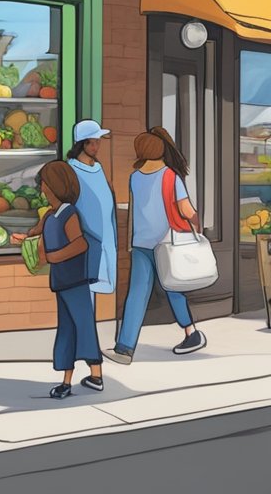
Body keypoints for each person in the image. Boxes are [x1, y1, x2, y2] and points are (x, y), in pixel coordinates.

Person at [105, 128, 205, 364]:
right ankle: (191, 333)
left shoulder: (135, 176)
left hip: (141, 243)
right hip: (167, 241)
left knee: (137, 295)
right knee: (173, 287)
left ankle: (125, 349)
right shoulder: (171, 176)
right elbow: (186, 210)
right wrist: (198, 225)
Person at [36, 160, 103, 398]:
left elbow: (80, 244)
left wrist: (53, 256)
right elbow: (36, 232)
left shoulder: (69, 214)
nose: (42, 188)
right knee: (66, 330)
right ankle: (66, 380)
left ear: (54, 186)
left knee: (83, 324)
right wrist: (22, 238)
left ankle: (96, 374)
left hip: (75, 280)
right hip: (61, 281)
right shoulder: (50, 215)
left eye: (44, 183)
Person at [67, 120, 118, 297]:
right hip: (86, 234)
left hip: (107, 233)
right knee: (87, 282)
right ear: (82, 143)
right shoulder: (72, 169)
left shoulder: (98, 167)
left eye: (98, 141)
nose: (96, 146)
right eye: (92, 142)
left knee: (100, 279)